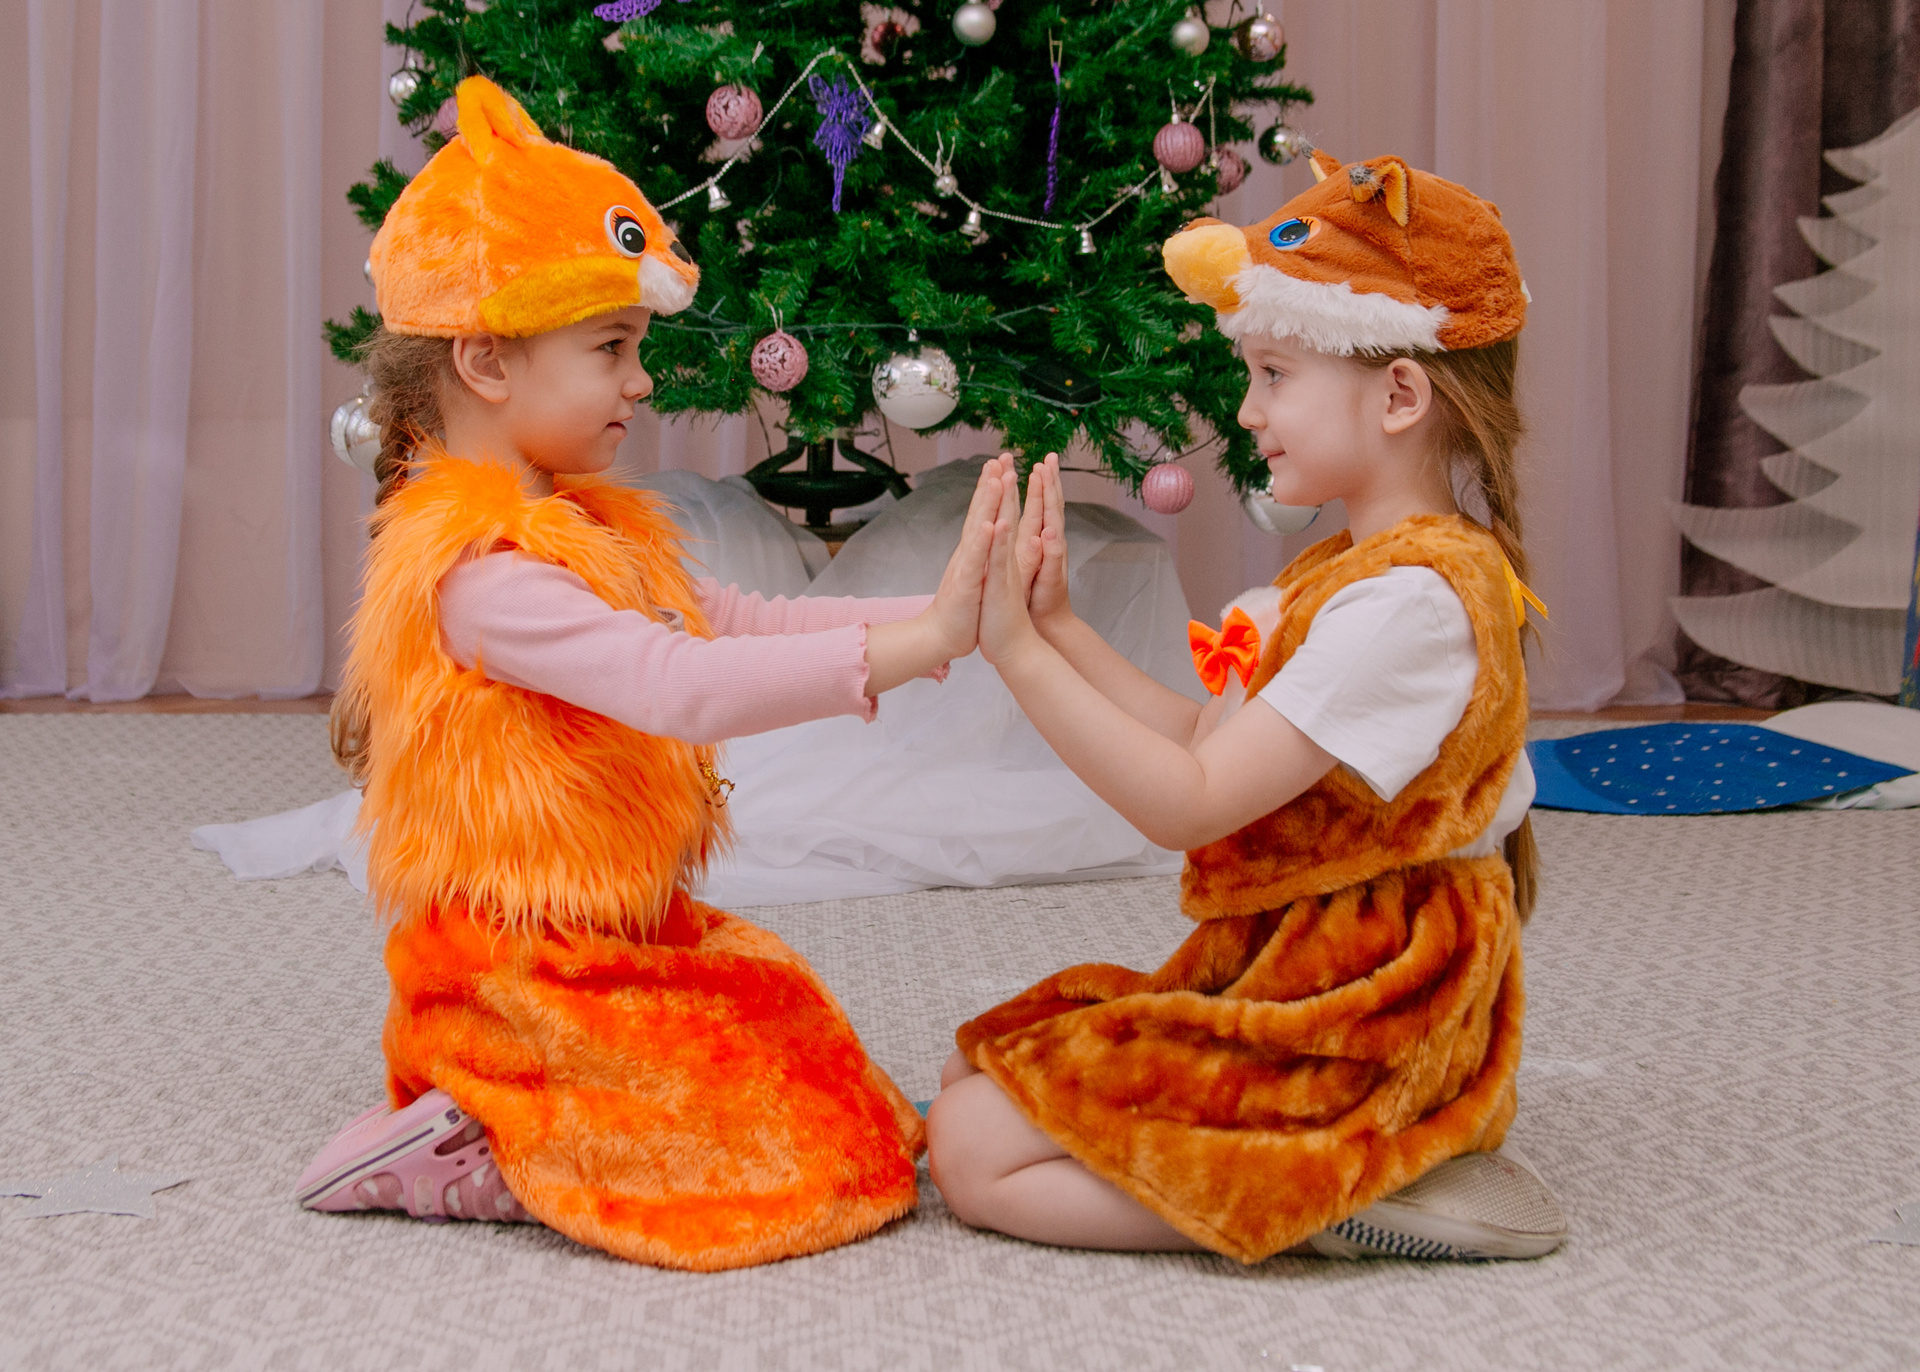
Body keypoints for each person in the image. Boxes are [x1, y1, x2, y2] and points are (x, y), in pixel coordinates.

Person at [293, 76, 1001, 1272]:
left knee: (791, 1023)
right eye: (611, 348)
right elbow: (676, 682)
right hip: (512, 970)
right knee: (769, 1150)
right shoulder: (480, 573)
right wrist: (920, 646)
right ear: (486, 360)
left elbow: (739, 620)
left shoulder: (584, 527)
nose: (641, 381)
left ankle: (531, 1116)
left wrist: (949, 618)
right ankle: (482, 1138)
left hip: (610, 927)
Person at [926, 150, 1568, 1263]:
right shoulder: (1354, 574)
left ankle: (1320, 1195)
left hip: (1367, 1008)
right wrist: (1061, 628)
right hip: (1299, 966)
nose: (1247, 409)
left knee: (972, 1153)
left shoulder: (1410, 606)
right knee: (973, 1073)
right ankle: (1307, 1165)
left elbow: (1189, 802)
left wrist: (1015, 653)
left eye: (1274, 374)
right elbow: (1203, 738)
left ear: (1400, 395)